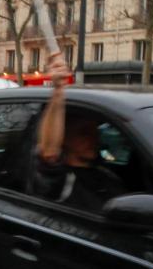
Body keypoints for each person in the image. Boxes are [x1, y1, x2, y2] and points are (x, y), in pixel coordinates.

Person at [35, 53, 125, 211]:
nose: (93, 138)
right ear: (64, 138)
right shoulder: (60, 181)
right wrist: (58, 92)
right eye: (84, 132)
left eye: (95, 131)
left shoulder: (106, 174)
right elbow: (49, 152)